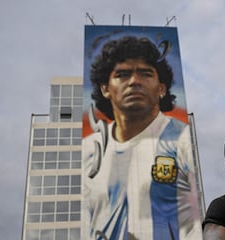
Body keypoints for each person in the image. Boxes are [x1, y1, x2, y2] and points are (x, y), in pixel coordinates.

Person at [82, 36, 202, 240]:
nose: (134, 82)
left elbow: (194, 224)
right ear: (105, 88)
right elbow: (85, 223)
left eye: (146, 74)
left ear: (162, 88)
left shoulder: (181, 139)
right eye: (122, 74)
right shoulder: (88, 149)